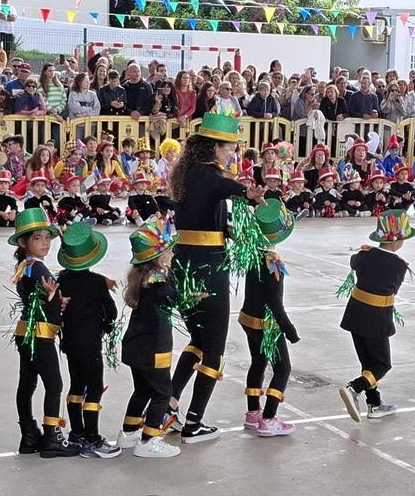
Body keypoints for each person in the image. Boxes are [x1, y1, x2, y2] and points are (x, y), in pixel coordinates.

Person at [164, 112, 265, 442]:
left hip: (184, 266)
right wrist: (251, 194)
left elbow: (206, 217)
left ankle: (168, 406)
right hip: (208, 269)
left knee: (198, 340)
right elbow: (229, 188)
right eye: (228, 147)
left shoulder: (188, 174)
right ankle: (194, 423)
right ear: (213, 147)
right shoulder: (209, 175)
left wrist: (230, 231)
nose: (231, 153)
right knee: (214, 349)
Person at [9, 208, 80, 458]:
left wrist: (56, 299)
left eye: (48, 238)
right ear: (23, 242)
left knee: (27, 383)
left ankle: (28, 434)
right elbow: (44, 299)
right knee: (54, 383)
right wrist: (56, 301)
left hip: (27, 331)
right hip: (40, 333)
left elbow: (36, 298)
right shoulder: (38, 268)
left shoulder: (26, 265)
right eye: (37, 238)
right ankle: (51, 436)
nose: (45, 243)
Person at [337, 210, 415, 422]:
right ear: (396, 240)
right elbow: (392, 289)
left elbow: (354, 262)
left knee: (368, 363)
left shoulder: (364, 255)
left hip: (355, 314)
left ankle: (374, 404)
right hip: (376, 318)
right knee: (382, 365)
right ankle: (354, 388)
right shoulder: (398, 265)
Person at [55, 223, 123, 458]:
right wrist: (106, 327)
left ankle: (76, 433)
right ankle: (92, 438)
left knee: (76, 385)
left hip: (69, 343)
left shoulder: (61, 280)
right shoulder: (96, 282)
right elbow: (111, 311)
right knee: (94, 388)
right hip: (90, 343)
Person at [118, 219, 182, 458]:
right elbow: (174, 298)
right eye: (168, 251)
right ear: (158, 258)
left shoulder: (142, 279)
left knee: (142, 390)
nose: (172, 254)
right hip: (153, 349)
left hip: (136, 346)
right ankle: (149, 440)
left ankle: (129, 432)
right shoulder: (158, 282)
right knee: (162, 393)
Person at [239, 200, 300, 436]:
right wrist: (289, 329)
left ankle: (253, 412)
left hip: (247, 319)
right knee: (283, 368)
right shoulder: (273, 262)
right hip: (266, 324)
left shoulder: (253, 255)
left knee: (258, 362)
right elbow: (275, 303)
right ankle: (269, 418)